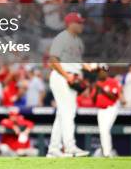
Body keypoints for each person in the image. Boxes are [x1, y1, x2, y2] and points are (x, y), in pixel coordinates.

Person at [46, 12, 90, 157]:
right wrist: (67, 76)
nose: (81, 24)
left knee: (62, 114)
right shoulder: (62, 38)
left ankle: (54, 149)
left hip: (71, 77)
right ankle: (69, 146)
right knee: (68, 112)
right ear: (70, 23)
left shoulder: (78, 41)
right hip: (61, 77)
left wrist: (88, 67)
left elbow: (76, 61)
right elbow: (53, 60)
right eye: (79, 22)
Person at [92, 65, 120, 157]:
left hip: (111, 108)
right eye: (100, 71)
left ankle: (107, 152)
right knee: (102, 131)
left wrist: (103, 90)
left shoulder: (113, 82)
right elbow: (93, 100)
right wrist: (96, 90)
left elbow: (115, 97)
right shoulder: (97, 84)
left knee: (105, 130)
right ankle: (106, 152)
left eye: (103, 71)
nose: (101, 73)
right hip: (100, 110)